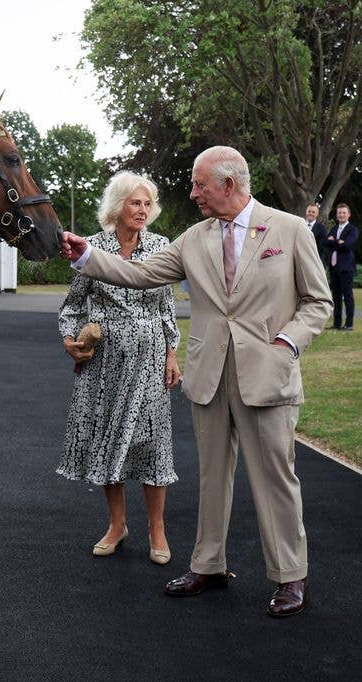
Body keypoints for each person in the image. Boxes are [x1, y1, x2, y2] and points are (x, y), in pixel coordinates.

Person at [59, 146, 332, 618]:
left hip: (267, 376)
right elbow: (141, 273)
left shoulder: (288, 229)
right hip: (209, 377)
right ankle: (208, 565)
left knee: (275, 479)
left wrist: (286, 344)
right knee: (211, 478)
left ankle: (290, 575)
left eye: (199, 185)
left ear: (229, 184)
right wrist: (88, 257)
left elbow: (318, 302)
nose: (192, 193)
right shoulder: (193, 238)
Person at [57, 172, 181, 566]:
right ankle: (117, 525)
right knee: (110, 440)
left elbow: (166, 308)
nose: (143, 210)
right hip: (104, 365)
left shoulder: (162, 247)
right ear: (118, 206)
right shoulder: (91, 247)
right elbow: (72, 307)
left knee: (151, 445)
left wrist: (172, 353)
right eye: (135, 203)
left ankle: (157, 529)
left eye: (147, 204)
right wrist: (70, 342)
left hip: (149, 361)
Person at [325, 203, 358, 331]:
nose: (341, 215)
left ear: (348, 214)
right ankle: (337, 323)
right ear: (337, 215)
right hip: (334, 267)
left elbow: (348, 245)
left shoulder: (352, 229)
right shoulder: (334, 229)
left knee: (347, 295)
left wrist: (333, 241)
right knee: (336, 296)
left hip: (346, 267)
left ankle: (349, 324)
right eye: (339, 213)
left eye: (344, 212)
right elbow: (326, 242)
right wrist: (337, 241)